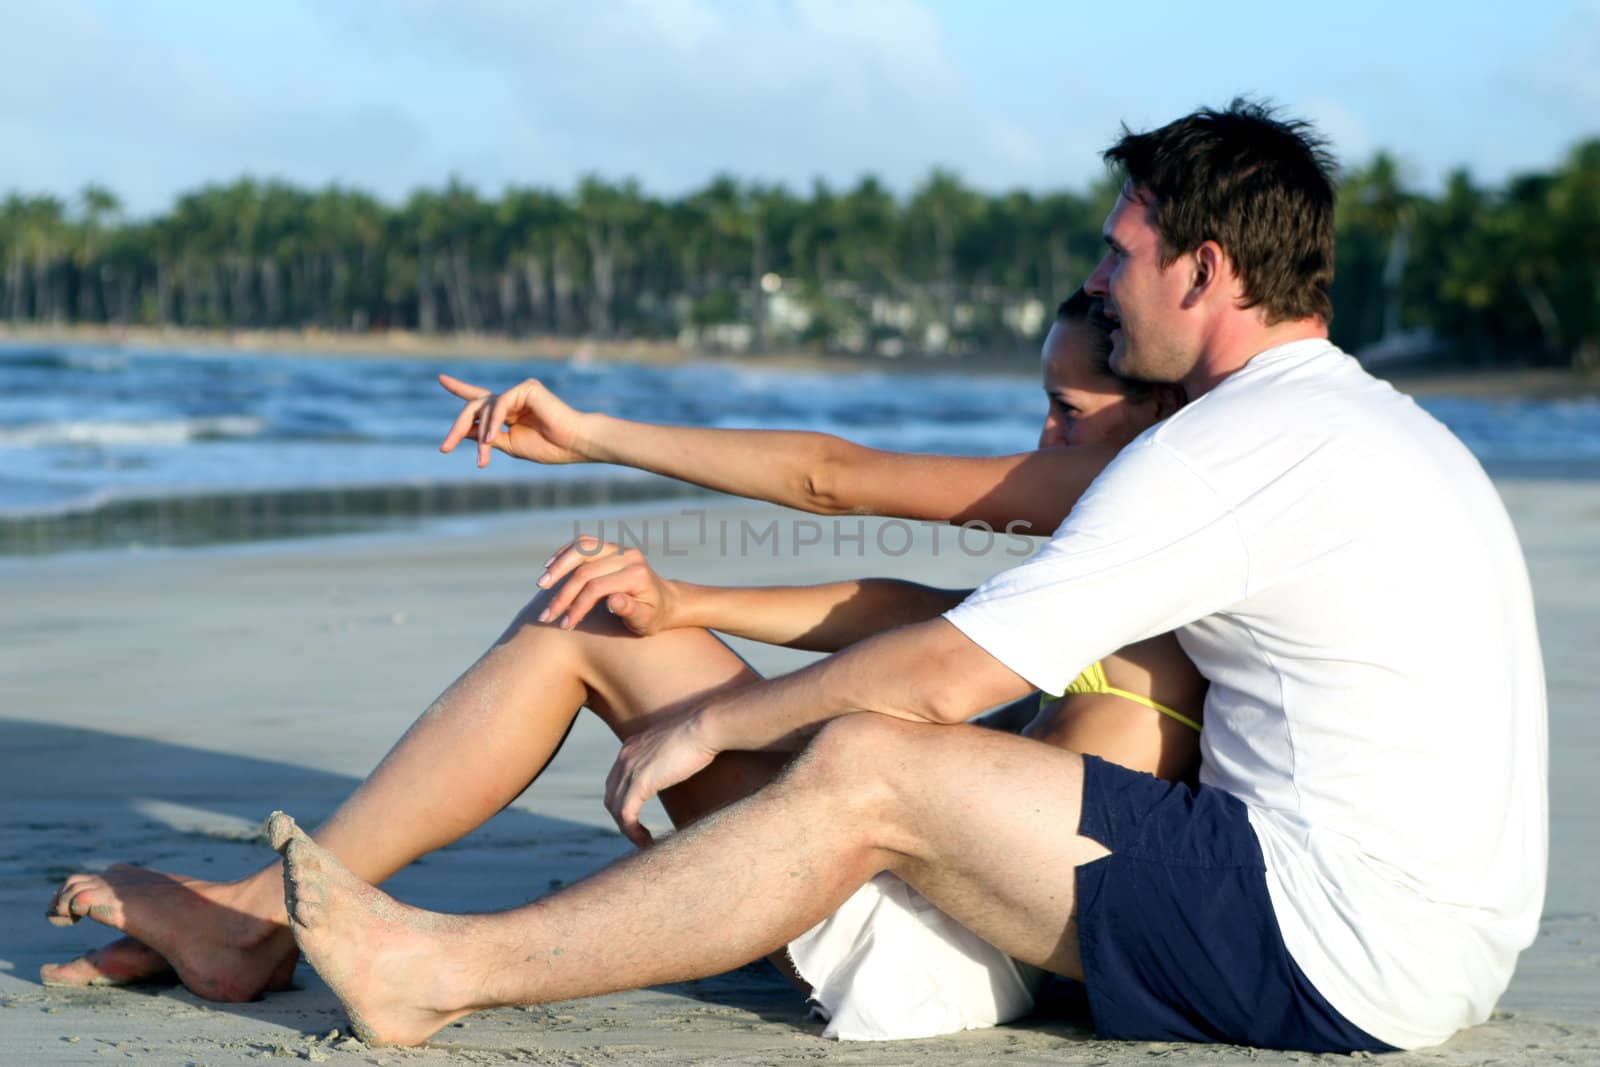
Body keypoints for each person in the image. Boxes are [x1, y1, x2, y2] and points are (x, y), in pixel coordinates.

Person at [247, 100, 1542, 1053]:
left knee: (872, 757)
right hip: (1408, 934)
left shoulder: (1214, 455)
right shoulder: (1355, 424)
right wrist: (605, 459)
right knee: (805, 715)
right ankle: (260, 919)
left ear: (1205, 271)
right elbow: (846, 491)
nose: (1099, 277)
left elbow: (942, 665)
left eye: (1120, 254)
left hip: (1338, 943)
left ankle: (441, 965)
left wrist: (723, 710)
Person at [43, 292, 1200, 1035]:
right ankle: (257, 916)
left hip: (946, 952)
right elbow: (924, 606)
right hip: (945, 897)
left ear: (1150, 416)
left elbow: (830, 476)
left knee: (581, 628)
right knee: (601, 612)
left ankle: (253, 919)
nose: (1040, 441)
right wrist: (691, 601)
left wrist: (591, 433)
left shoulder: (1144, 502)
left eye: (1061, 410)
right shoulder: (1155, 534)